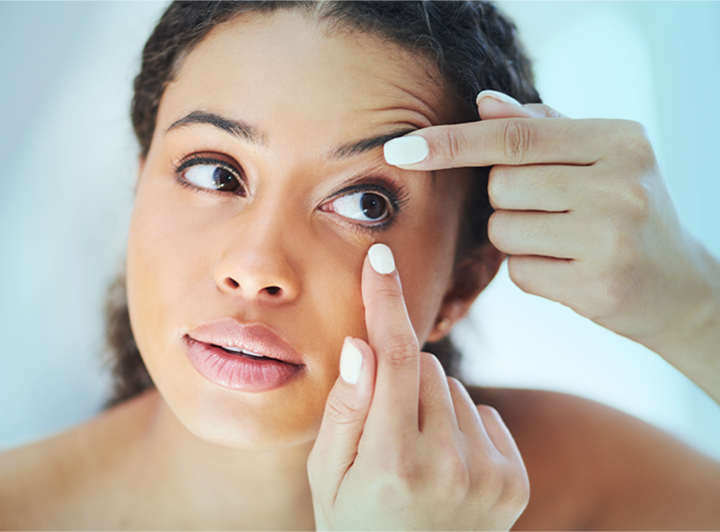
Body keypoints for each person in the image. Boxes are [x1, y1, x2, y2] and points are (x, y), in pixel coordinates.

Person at [1, 0, 719, 530]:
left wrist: (697, 308)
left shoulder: (586, 482)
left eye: (365, 203)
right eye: (215, 174)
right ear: (138, 187)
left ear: (463, 281)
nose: (256, 267)